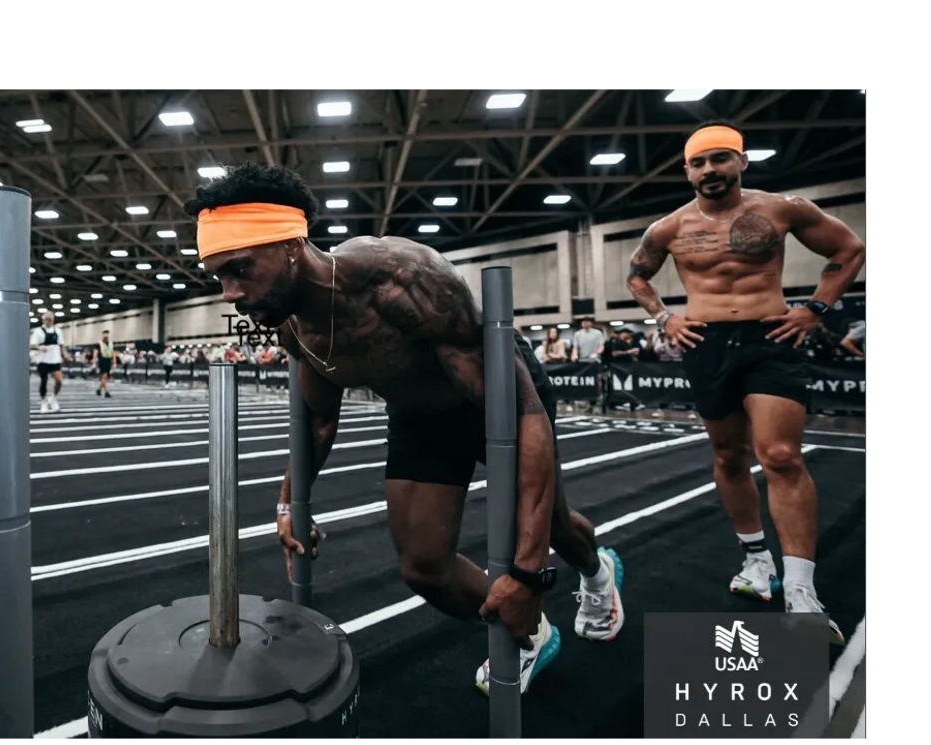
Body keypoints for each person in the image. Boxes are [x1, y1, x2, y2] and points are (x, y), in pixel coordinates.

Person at [185, 162, 624, 697]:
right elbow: (319, 421)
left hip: (496, 397)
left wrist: (530, 575)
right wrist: (286, 504)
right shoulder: (293, 327)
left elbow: (523, 414)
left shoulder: (399, 278)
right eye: (219, 277)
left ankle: (596, 572)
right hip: (420, 416)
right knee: (423, 567)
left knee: (549, 526)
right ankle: (530, 634)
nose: (230, 293)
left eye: (239, 269)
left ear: (290, 245)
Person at [624, 119, 866, 644]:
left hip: (769, 336)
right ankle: (757, 561)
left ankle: (800, 590)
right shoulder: (668, 228)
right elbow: (637, 275)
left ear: (741, 161)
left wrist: (816, 309)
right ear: (687, 171)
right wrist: (664, 318)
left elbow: (849, 250)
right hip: (706, 343)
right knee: (729, 456)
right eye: (699, 162)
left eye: (720, 158)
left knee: (781, 455)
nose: (710, 169)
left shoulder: (782, 209)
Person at [30, 310, 65, 413]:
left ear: (52, 319)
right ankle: (43, 401)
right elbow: (32, 345)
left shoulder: (58, 331)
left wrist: (65, 355)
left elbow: (61, 345)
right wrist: (39, 348)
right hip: (43, 359)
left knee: (59, 380)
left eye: (49, 319)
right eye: (45, 319)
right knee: (44, 380)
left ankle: (53, 398)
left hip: (55, 358)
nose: (47, 321)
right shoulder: (38, 331)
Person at [96, 329, 116, 397]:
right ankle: (107, 392)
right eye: (105, 334)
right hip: (102, 360)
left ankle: (99, 389)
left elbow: (113, 352)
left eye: (107, 334)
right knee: (104, 376)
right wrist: (94, 362)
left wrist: (114, 362)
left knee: (106, 377)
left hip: (108, 360)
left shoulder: (111, 343)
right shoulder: (99, 343)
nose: (106, 335)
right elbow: (95, 353)